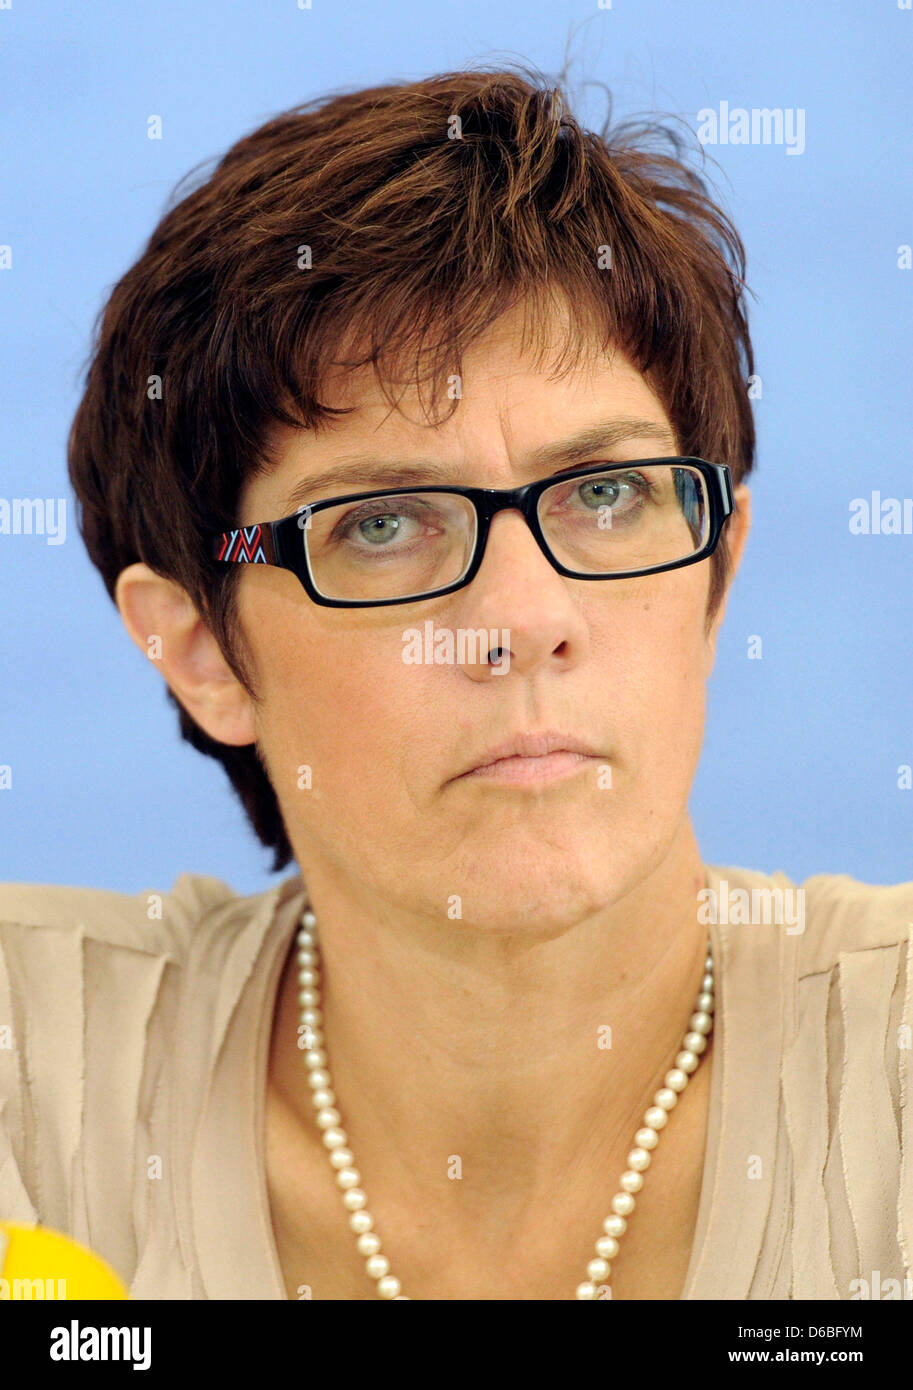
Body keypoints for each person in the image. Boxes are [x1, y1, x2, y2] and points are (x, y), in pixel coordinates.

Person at [1, 65, 911, 1303]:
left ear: (717, 575)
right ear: (203, 652)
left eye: (605, 495)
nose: (525, 621)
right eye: (383, 524)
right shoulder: (26, 1086)